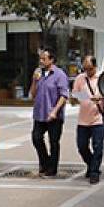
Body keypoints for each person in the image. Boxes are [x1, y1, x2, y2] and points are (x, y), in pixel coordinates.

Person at [30, 47, 69, 177]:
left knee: (53, 142)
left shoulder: (59, 75)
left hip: (54, 115)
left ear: (51, 60)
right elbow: (33, 94)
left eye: (44, 58)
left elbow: (64, 95)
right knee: (36, 138)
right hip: (39, 113)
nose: (41, 61)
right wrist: (35, 80)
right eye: (40, 58)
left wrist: (55, 111)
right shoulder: (38, 73)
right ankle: (45, 162)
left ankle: (52, 169)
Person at [72, 55, 104, 184]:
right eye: (85, 69)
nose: (88, 71)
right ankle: (91, 165)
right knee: (82, 146)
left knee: (98, 147)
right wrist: (84, 97)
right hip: (83, 120)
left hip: (98, 119)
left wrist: (101, 98)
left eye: (90, 69)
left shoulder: (102, 78)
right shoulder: (80, 79)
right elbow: (74, 97)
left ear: (95, 67)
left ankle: (94, 172)